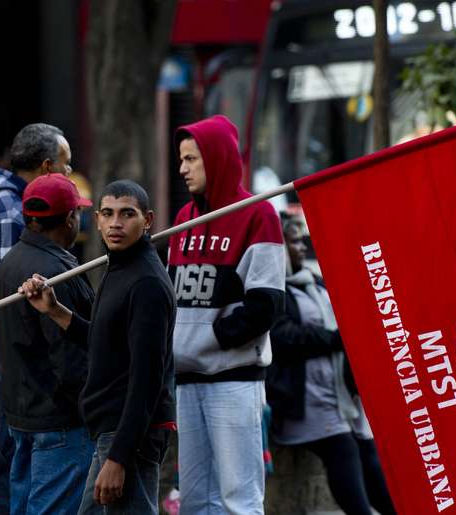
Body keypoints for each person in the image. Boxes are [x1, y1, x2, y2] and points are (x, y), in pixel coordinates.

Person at [20, 180, 176, 515]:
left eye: (127, 214)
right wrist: (55, 310)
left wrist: (119, 457)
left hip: (130, 431)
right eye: (107, 213)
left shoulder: (146, 282)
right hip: (111, 427)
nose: (115, 223)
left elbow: (146, 379)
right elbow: (106, 343)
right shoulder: (118, 266)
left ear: (147, 220)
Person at [168, 115, 285, 514]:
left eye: (191, 159)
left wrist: (208, 340)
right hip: (186, 380)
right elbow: (173, 297)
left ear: (216, 158)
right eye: (181, 159)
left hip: (234, 379)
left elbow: (267, 304)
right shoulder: (183, 219)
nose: (182, 168)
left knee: (240, 499)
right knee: (195, 500)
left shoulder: (259, 215)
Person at [0, 123, 72, 512]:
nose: (68, 174)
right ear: (46, 166)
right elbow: (9, 305)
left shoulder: (10, 206)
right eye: (65, 165)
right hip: (0, 362)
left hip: (6, 362)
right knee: (4, 483)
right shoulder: (10, 214)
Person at [267, 215, 396, 515]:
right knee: (344, 449)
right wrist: (335, 338)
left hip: (338, 395)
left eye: (301, 241)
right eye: (293, 242)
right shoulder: (274, 290)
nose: (300, 248)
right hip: (304, 398)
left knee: (367, 450)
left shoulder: (316, 283)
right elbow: (282, 335)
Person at [0, 173, 95, 514]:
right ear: (69, 219)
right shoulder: (56, 274)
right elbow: (70, 359)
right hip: (59, 423)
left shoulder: (9, 264)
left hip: (22, 417)